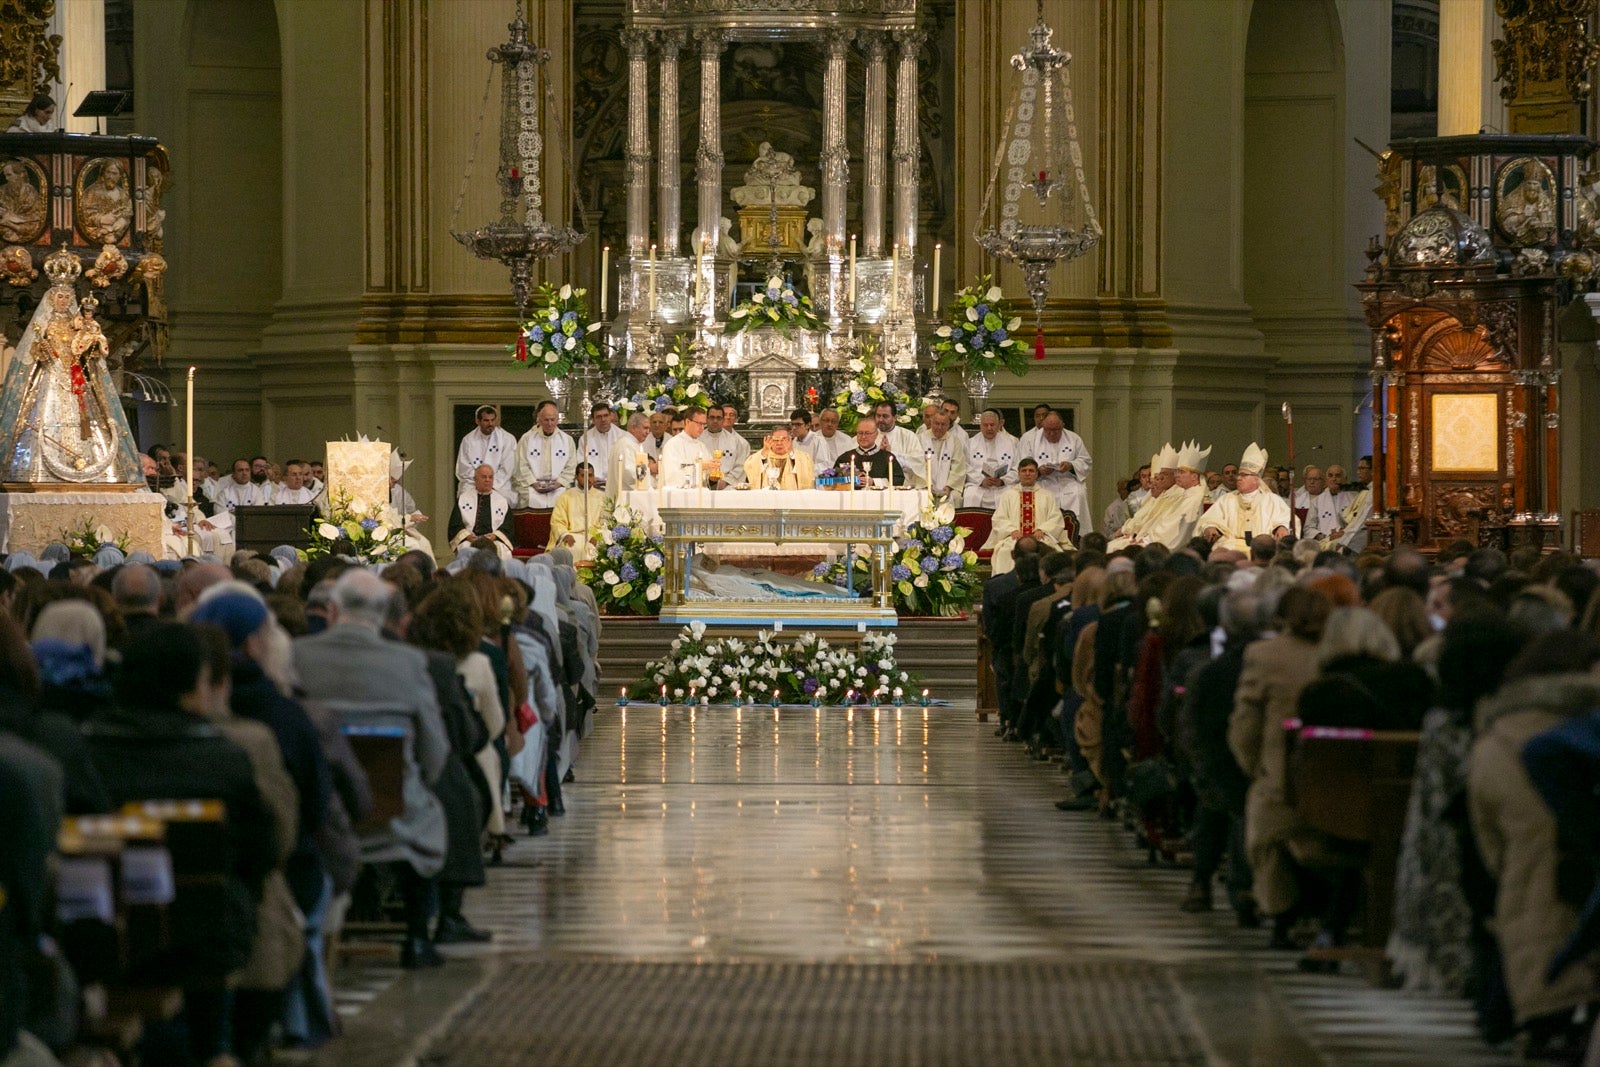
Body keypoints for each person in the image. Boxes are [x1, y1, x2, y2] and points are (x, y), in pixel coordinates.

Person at [82, 622, 281, 1060]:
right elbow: (262, 850)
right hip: (205, 942)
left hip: (101, 937)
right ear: (192, 683)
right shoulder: (220, 759)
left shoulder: (85, 754)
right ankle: (213, 1047)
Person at [293, 571, 451, 968]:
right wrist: (420, 781)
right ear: (385, 614)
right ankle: (416, 936)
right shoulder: (408, 661)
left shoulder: (298, 655)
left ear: (332, 610)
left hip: (317, 805)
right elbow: (435, 746)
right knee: (429, 816)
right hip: (394, 811)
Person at [1228, 585, 1329, 947]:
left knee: (1267, 833)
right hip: (1337, 770)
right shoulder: (1343, 649)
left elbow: (1246, 721)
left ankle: (1281, 910)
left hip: (1282, 768)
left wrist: (1253, 765)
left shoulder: (1265, 654)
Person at [0, 251, 144, 485]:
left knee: (85, 419)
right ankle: (37, 470)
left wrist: (93, 343)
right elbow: (31, 353)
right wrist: (41, 349)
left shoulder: (81, 324)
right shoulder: (44, 323)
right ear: (50, 299)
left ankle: (87, 463)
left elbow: (89, 354)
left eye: (68, 297)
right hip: (51, 375)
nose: (64, 301)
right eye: (60, 296)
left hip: (75, 377)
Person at [981, 458, 1070, 574]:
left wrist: (1042, 529)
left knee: (1052, 552)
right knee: (1005, 552)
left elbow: (1055, 518)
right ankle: (1010, 587)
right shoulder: (1008, 495)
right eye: (1024, 470)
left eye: (1031, 471)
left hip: (1040, 537)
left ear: (1037, 474)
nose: (1027, 474)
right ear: (1018, 473)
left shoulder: (1047, 496)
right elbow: (999, 518)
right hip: (1015, 537)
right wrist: (1011, 530)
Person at [1198, 443, 1290, 553]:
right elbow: (1210, 519)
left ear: (1256, 479)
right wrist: (1210, 527)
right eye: (1239, 475)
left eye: (1244, 475)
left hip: (1262, 548)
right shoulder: (1226, 500)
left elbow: (1284, 520)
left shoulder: (1272, 500)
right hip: (1230, 547)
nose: (1239, 478)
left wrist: (1281, 527)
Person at [1025, 411, 1092, 534]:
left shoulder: (1074, 439)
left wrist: (1071, 465)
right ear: (1043, 426)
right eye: (1047, 430)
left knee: (1080, 492)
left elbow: (1086, 461)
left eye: (1055, 430)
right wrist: (1039, 470)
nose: (1051, 434)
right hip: (1042, 482)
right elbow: (1024, 463)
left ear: (1062, 426)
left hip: (1068, 480)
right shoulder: (1031, 440)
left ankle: (1077, 535)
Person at [512, 400, 575, 507]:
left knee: (564, 499)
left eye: (552, 419)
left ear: (557, 420)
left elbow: (571, 466)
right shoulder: (527, 439)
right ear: (539, 419)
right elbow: (521, 465)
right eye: (546, 420)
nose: (550, 423)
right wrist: (533, 483)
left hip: (558, 487)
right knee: (528, 498)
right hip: (533, 486)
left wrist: (559, 483)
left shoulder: (567, 440)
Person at [449, 464, 515, 560]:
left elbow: (508, 527)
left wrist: (495, 536)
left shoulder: (502, 501)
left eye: (490, 477)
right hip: (471, 540)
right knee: (465, 548)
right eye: (484, 477)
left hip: (493, 540)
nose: (487, 480)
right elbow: (455, 525)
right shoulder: (464, 499)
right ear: (475, 479)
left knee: (502, 549)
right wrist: (467, 536)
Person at [548, 463, 608, 558]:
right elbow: (557, 522)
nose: (587, 479)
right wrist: (565, 535)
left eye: (590, 475)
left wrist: (598, 536)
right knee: (570, 548)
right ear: (576, 477)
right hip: (572, 536)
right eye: (583, 475)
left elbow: (606, 521)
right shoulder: (565, 497)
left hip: (594, 536)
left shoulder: (602, 498)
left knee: (599, 548)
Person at [455, 404, 517, 497]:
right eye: (486, 420)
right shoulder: (468, 440)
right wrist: (480, 483)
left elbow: (507, 467)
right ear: (478, 421)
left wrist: (490, 484)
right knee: (465, 495)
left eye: (493, 420)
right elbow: (464, 468)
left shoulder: (507, 439)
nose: (490, 424)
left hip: (499, 485)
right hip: (473, 483)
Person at [963, 409, 1019, 509]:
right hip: (978, 485)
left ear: (999, 425)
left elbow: (1017, 467)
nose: (989, 428)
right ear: (980, 426)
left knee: (1010, 495)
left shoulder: (1011, 442)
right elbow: (965, 466)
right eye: (985, 425)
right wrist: (981, 480)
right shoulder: (970, 443)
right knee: (970, 495)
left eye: (992, 425)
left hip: (1003, 485)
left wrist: (1003, 481)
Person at [831, 419, 907, 487]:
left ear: (876, 434)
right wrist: (850, 481)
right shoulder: (845, 458)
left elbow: (899, 479)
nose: (863, 437)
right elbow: (832, 480)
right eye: (860, 433)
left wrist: (874, 482)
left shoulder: (887, 457)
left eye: (867, 433)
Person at [871, 401, 927, 488]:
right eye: (878, 416)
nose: (881, 419)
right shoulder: (868, 434)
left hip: (903, 487)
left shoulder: (908, 436)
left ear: (894, 417)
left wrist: (892, 454)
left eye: (885, 416)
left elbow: (918, 463)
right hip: (874, 486)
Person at [577, 402, 629, 491]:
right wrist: (590, 477)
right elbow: (581, 461)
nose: (603, 419)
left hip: (618, 485)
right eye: (599, 417)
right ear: (593, 420)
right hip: (593, 485)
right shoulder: (585, 438)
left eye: (606, 415)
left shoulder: (623, 437)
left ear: (610, 417)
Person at [743, 427, 815, 489]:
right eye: (776, 440)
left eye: (783, 439)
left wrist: (791, 453)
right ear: (770, 440)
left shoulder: (802, 457)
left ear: (790, 440)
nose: (779, 443)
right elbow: (750, 468)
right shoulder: (763, 454)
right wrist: (764, 451)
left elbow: (806, 474)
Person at [917, 409, 966, 500]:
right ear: (931, 423)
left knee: (955, 497)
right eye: (936, 423)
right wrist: (928, 485)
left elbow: (958, 467)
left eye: (943, 424)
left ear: (948, 426)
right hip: (925, 485)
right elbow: (917, 465)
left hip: (947, 487)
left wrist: (949, 486)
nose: (939, 427)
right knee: (921, 497)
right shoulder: (920, 439)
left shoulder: (954, 441)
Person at [659, 405, 712, 488]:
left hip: (700, 493)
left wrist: (713, 469)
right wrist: (699, 467)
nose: (702, 428)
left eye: (704, 424)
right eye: (699, 424)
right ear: (687, 422)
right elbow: (672, 478)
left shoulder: (701, 446)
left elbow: (708, 476)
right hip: (680, 496)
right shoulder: (673, 445)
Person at [703, 402, 752, 488]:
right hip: (702, 483)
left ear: (722, 420)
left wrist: (726, 481)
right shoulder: (698, 439)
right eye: (712, 417)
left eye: (718, 418)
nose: (715, 421)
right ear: (706, 419)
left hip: (727, 485)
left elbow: (741, 466)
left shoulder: (736, 441)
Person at [607, 412, 657, 493]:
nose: (648, 432)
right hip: (625, 499)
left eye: (649, 429)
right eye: (645, 428)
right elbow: (630, 475)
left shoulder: (632, 444)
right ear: (633, 427)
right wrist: (650, 470)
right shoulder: (626, 445)